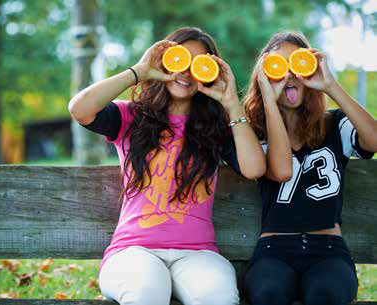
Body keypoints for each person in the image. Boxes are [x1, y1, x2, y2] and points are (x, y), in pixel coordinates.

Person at [68, 27, 265, 305]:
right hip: (133, 251)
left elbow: (255, 168)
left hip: (198, 253)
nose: (185, 72)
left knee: (218, 298)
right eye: (178, 60)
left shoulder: (215, 128)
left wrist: (232, 103)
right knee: (146, 293)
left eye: (197, 65)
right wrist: (138, 71)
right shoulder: (131, 118)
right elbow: (79, 109)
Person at [243, 31, 377, 305]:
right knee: (267, 294)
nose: (290, 74)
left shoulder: (335, 124)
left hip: (328, 250)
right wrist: (269, 99)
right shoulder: (256, 132)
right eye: (279, 66)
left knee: (324, 294)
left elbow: (374, 139)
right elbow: (281, 171)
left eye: (298, 64)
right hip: (274, 250)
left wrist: (330, 86)